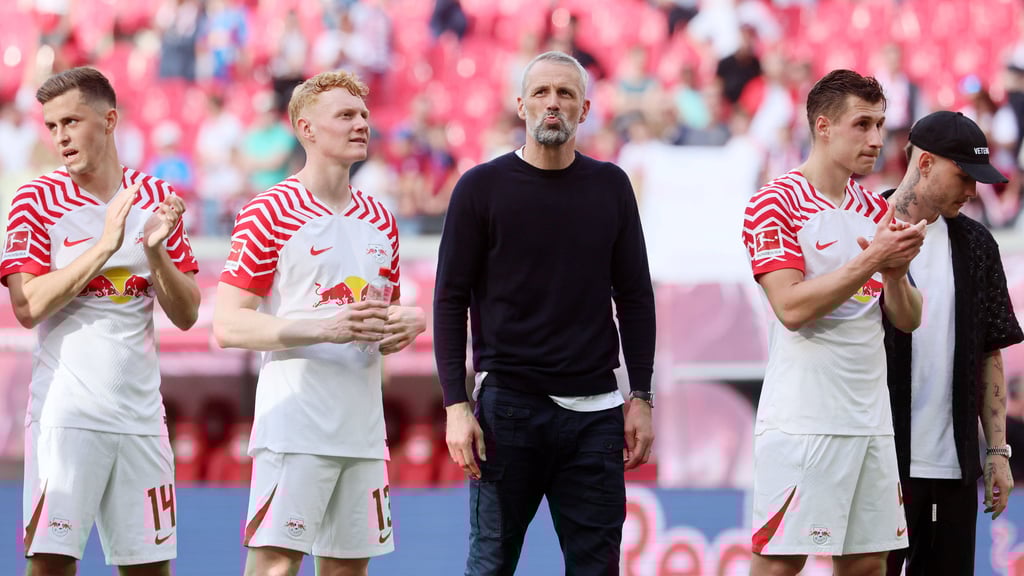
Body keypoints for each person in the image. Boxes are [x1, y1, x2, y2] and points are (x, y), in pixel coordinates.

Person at [434, 50, 657, 576]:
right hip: (507, 411)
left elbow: (635, 296)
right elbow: (449, 300)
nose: (552, 103)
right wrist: (455, 406)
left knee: (597, 569)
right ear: (521, 105)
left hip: (596, 415)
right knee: (490, 566)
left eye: (565, 94)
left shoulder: (611, 186)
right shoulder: (479, 188)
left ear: (584, 109)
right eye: (541, 92)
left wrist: (642, 395)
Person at [213, 70, 426, 576]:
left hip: (363, 430)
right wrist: (323, 328)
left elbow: (373, 323)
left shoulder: (381, 218)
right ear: (306, 129)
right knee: (275, 566)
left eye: (365, 116)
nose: (362, 125)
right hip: (295, 426)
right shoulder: (270, 212)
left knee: (349, 570)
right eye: (346, 116)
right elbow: (228, 325)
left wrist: (406, 323)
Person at [1, 67, 200, 576]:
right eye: (52, 126)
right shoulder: (36, 199)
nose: (61, 136)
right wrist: (106, 247)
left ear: (108, 120)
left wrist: (154, 254)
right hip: (65, 419)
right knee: (50, 567)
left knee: (150, 570)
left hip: (140, 423)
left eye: (72, 121)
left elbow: (187, 313)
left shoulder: (156, 198)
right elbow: (26, 307)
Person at [741, 69, 927, 576]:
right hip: (804, 419)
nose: (875, 139)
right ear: (823, 127)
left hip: (870, 419)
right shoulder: (774, 201)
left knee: (869, 564)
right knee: (781, 565)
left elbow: (908, 318)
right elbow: (793, 309)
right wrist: (871, 261)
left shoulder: (875, 209)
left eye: (881, 125)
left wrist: (895, 273)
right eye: (861, 124)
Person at [881, 110, 1024, 576]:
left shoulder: (978, 243)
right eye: (963, 176)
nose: (972, 191)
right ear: (924, 163)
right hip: (877, 461)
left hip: (955, 468)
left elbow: (990, 350)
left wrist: (997, 452)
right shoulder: (863, 223)